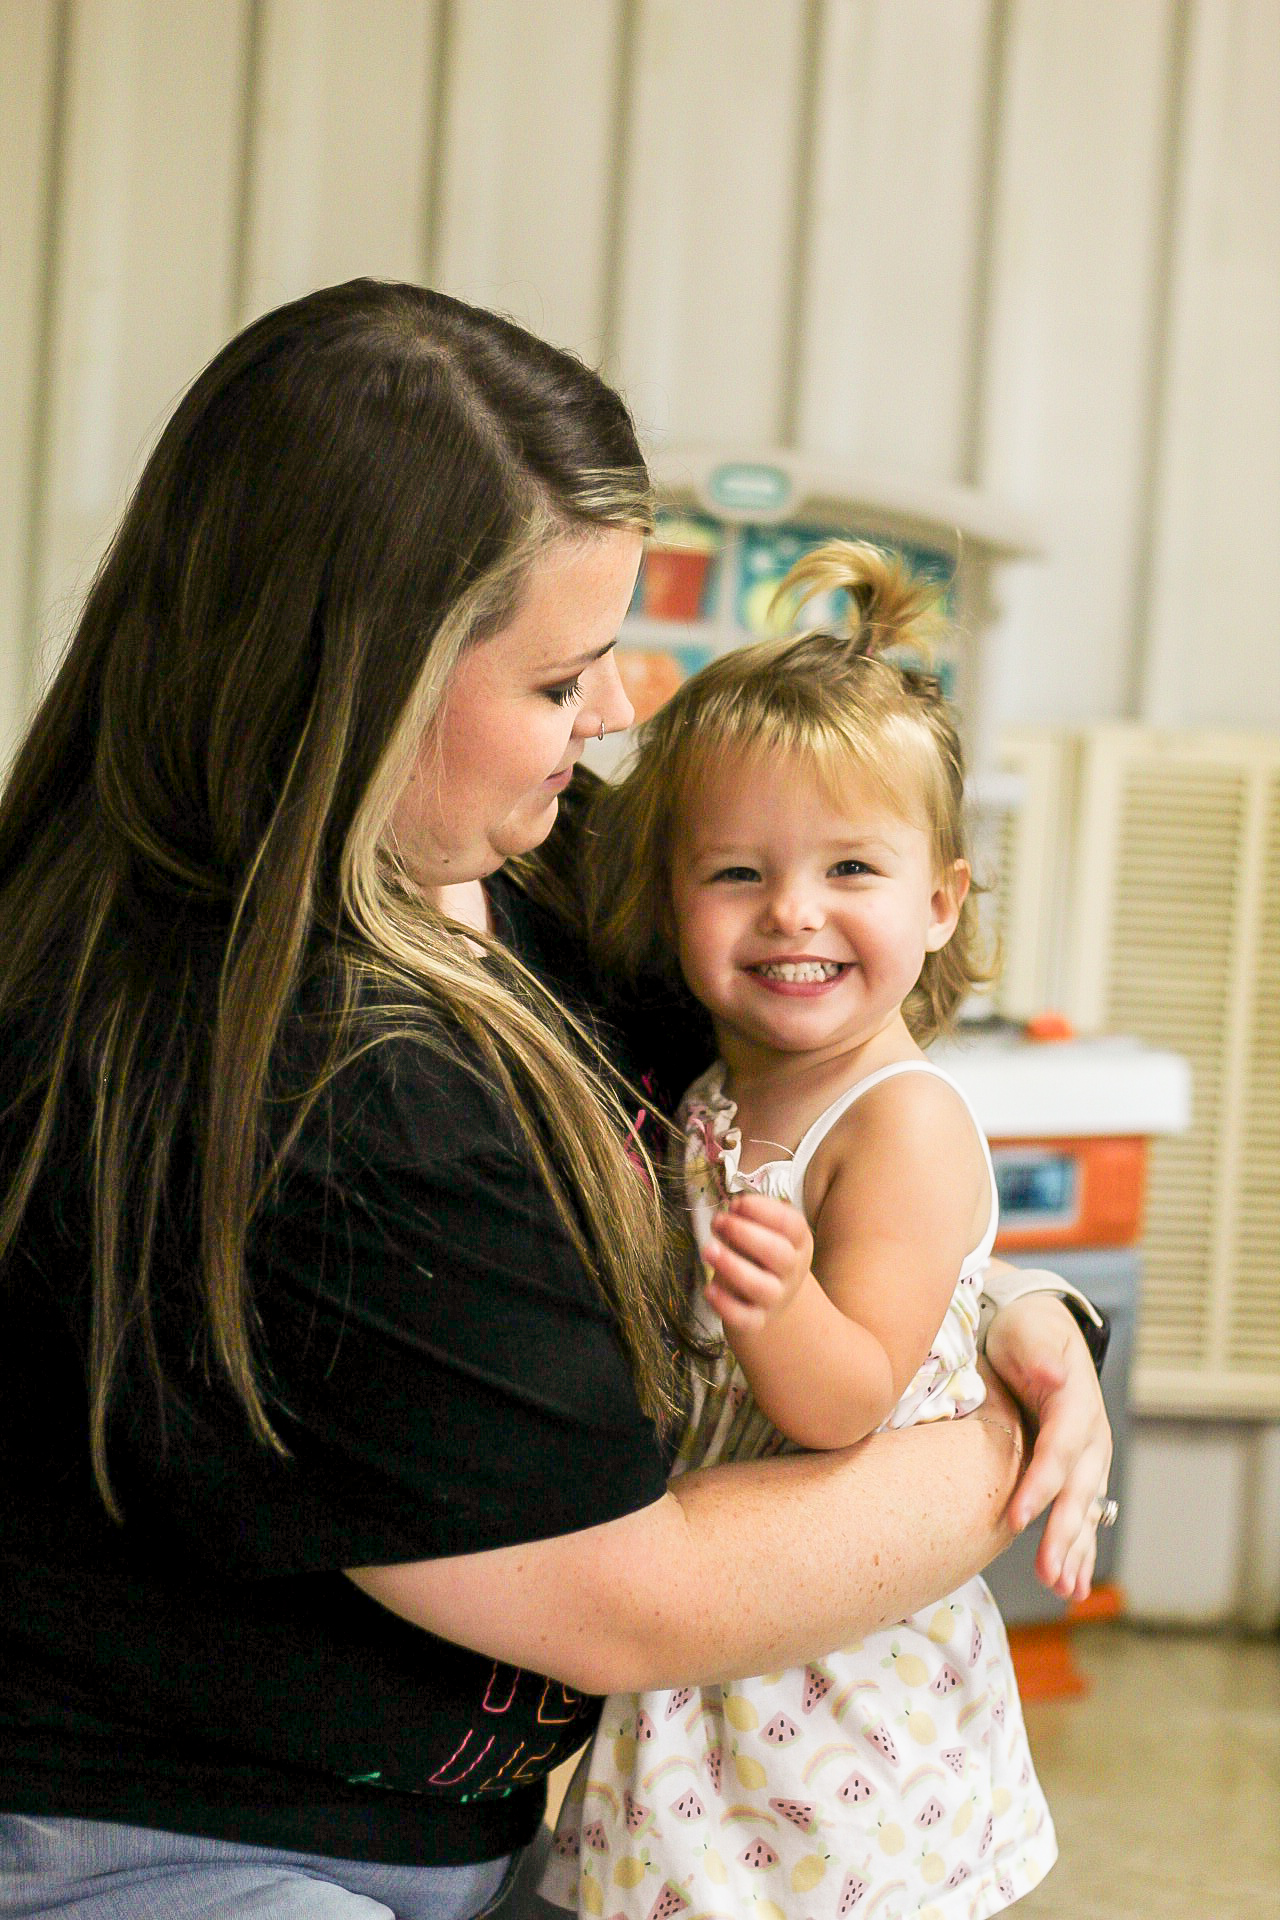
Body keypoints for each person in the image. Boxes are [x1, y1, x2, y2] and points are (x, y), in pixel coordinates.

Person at [0, 281, 1111, 1920]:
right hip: (193, 1849)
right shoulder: (282, 1071)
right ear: (358, 681)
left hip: (488, 1834)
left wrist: (1003, 1296)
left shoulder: (530, 866)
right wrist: (1007, 1435)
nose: (613, 717)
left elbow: (806, 1106)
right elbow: (632, 1597)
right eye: (560, 677)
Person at [541, 543, 1076, 1920]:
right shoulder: (722, 1091)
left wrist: (779, 1312)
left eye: (852, 866)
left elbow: (848, 1403)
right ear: (672, 896)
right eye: (737, 873)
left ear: (940, 900)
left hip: (840, 1689)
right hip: (725, 1648)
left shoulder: (899, 1126)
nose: (793, 911)